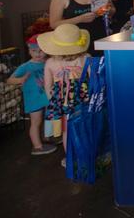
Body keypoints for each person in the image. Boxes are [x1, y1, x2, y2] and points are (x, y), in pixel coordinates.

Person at [40, 24, 90, 167]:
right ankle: (85, 156)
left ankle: (71, 159)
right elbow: (93, 79)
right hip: (82, 99)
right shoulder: (85, 58)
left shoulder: (50, 62)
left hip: (61, 102)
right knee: (83, 127)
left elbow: (48, 87)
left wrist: (55, 102)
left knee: (66, 131)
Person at [6, 35, 57, 156]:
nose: (38, 54)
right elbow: (9, 80)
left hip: (47, 97)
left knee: (49, 118)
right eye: (34, 51)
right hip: (33, 99)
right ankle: (37, 147)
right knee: (36, 122)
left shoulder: (48, 62)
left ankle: (47, 138)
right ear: (29, 51)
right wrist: (21, 80)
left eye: (41, 51)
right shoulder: (26, 66)